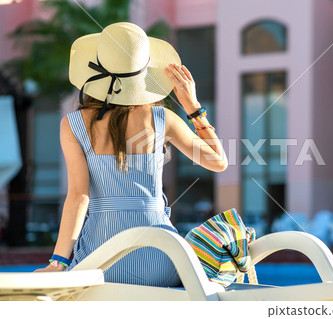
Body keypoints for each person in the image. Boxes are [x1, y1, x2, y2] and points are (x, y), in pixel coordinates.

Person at [34, 22, 228, 287]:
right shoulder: (162, 119)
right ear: (142, 74)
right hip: (162, 257)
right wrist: (193, 107)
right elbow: (219, 162)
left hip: (101, 260)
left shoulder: (74, 125)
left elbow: (79, 196)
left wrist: (58, 263)